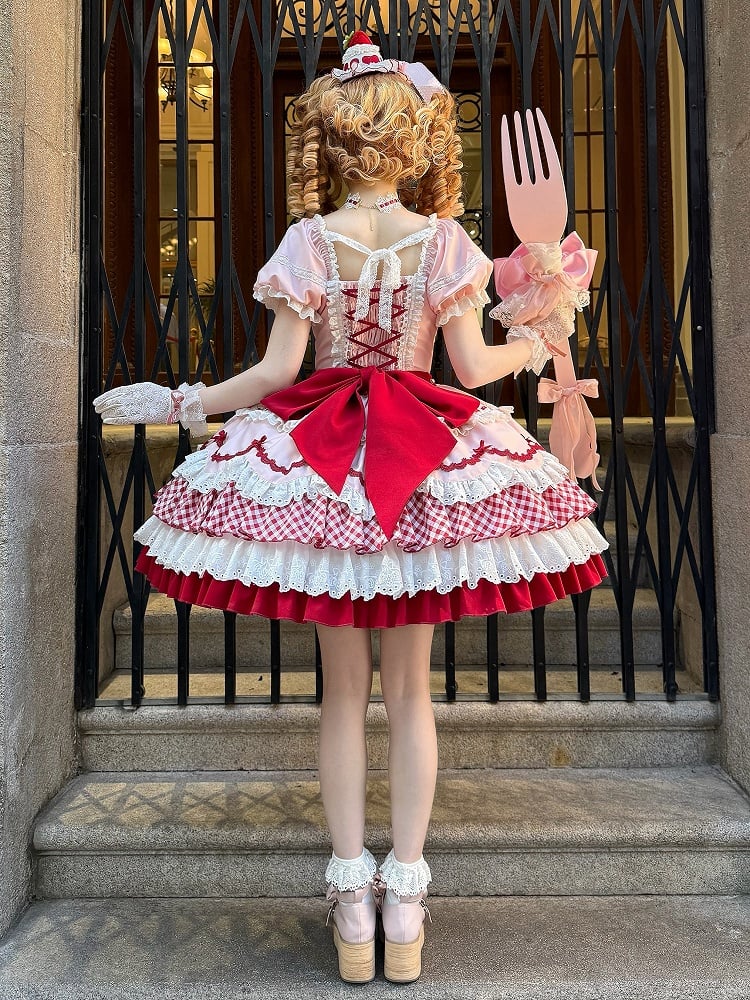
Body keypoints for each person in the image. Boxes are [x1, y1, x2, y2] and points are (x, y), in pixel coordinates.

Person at [93, 30, 609, 986]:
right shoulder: (443, 240)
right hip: (421, 458)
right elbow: (471, 369)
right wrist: (539, 339)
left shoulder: (308, 241)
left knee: (341, 692)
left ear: (330, 147)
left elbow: (278, 373)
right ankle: (404, 896)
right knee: (410, 691)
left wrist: (179, 402)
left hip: (323, 459)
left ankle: (352, 901)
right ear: (412, 146)